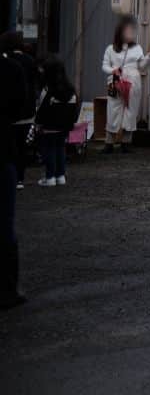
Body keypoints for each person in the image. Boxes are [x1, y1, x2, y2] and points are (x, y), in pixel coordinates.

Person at [0, 37, 30, 308]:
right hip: (3, 150)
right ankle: (8, 290)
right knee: (4, 224)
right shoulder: (10, 69)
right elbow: (20, 104)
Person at [102, 16, 150, 154]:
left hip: (133, 81)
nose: (131, 34)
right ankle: (109, 142)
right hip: (116, 81)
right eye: (128, 31)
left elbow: (141, 66)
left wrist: (149, 58)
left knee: (131, 111)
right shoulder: (111, 49)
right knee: (113, 110)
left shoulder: (137, 48)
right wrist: (113, 70)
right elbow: (105, 66)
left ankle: (126, 142)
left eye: (132, 31)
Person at [34, 58, 80, 187]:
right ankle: (60, 176)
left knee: (49, 150)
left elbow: (42, 108)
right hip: (65, 126)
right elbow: (74, 110)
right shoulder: (70, 89)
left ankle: (49, 177)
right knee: (60, 149)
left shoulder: (48, 89)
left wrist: (38, 123)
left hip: (49, 125)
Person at [1, 33, 36, 189]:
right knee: (22, 147)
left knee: (10, 146)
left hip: (9, 115)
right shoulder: (30, 61)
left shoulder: (8, 62)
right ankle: (20, 178)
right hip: (27, 111)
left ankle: (11, 178)